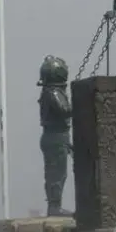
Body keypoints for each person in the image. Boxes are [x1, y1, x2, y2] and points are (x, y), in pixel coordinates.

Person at [37, 55, 72, 217]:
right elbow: (64, 110)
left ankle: (55, 205)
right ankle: (54, 207)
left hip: (57, 136)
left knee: (57, 173)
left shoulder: (50, 91)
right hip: (56, 136)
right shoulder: (53, 92)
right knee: (56, 173)